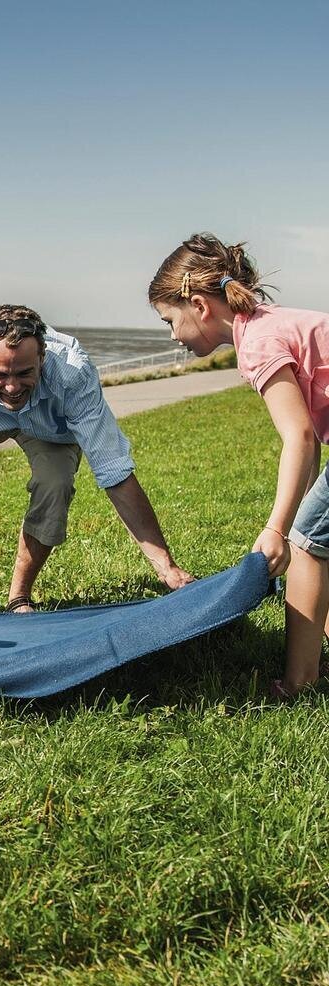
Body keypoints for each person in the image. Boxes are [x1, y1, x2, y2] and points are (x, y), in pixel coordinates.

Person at [0, 304, 193, 626]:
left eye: (24, 373)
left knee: (55, 485)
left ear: (42, 359)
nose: (12, 387)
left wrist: (166, 567)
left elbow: (114, 472)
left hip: (49, 427)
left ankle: (19, 596)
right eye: (0, 374)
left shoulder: (73, 374)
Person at [149, 234, 329, 697]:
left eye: (170, 320)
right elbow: (309, 440)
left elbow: (300, 439)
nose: (172, 335)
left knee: (309, 544)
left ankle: (299, 681)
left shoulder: (257, 343)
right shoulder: (267, 324)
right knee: (317, 537)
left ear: (198, 305)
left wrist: (279, 529)